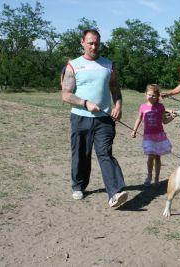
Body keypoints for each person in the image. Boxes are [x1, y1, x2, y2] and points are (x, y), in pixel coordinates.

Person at [62, 29, 128, 207]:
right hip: (80, 118)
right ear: (82, 42)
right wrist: (85, 103)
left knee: (105, 153)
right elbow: (66, 95)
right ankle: (78, 185)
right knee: (81, 154)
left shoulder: (108, 65)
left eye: (97, 43)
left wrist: (118, 106)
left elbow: (116, 90)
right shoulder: (73, 65)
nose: (94, 46)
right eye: (90, 43)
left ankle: (115, 192)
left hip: (104, 120)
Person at [131, 84, 176, 187]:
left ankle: (156, 178)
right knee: (151, 156)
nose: (151, 97)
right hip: (148, 136)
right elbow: (139, 119)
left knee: (158, 158)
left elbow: (164, 121)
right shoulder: (143, 107)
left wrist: (172, 117)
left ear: (158, 96)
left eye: (154, 95)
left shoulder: (160, 107)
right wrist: (134, 130)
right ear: (145, 94)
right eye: (149, 94)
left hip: (159, 136)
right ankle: (149, 176)